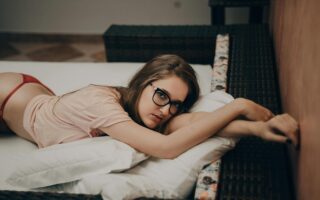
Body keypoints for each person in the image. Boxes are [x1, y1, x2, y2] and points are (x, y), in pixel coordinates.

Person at [0, 54, 299, 158]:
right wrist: (239, 105)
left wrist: (257, 128)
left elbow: (190, 125)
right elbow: (166, 148)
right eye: (161, 96)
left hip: (37, 95)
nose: (166, 110)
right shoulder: (103, 105)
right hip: (8, 94)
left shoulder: (148, 110)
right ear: (144, 83)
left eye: (177, 105)